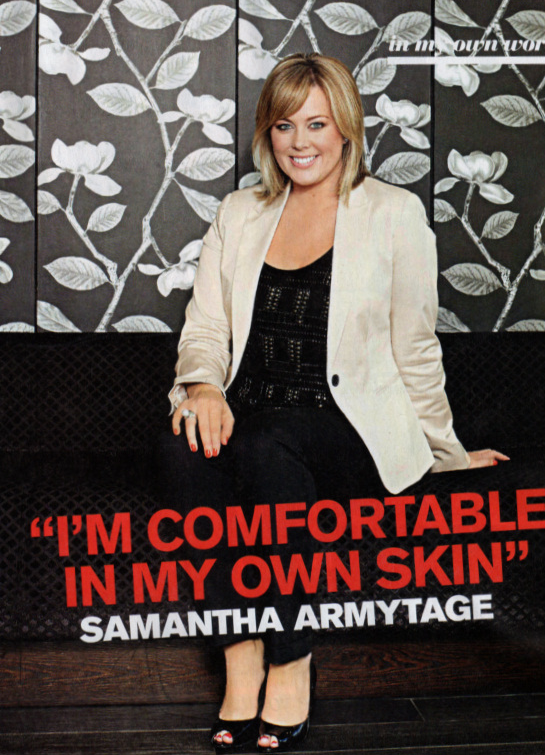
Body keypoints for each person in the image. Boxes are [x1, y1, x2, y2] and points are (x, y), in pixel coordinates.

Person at [162, 53, 508, 753]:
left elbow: (415, 348)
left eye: (316, 124)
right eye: (284, 125)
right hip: (252, 416)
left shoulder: (392, 213)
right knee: (184, 439)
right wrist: (202, 386)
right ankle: (241, 652)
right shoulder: (239, 212)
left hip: (345, 431)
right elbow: (204, 330)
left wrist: (442, 454)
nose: (300, 142)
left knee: (268, 444)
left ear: (345, 127)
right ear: (268, 132)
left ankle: (291, 657)